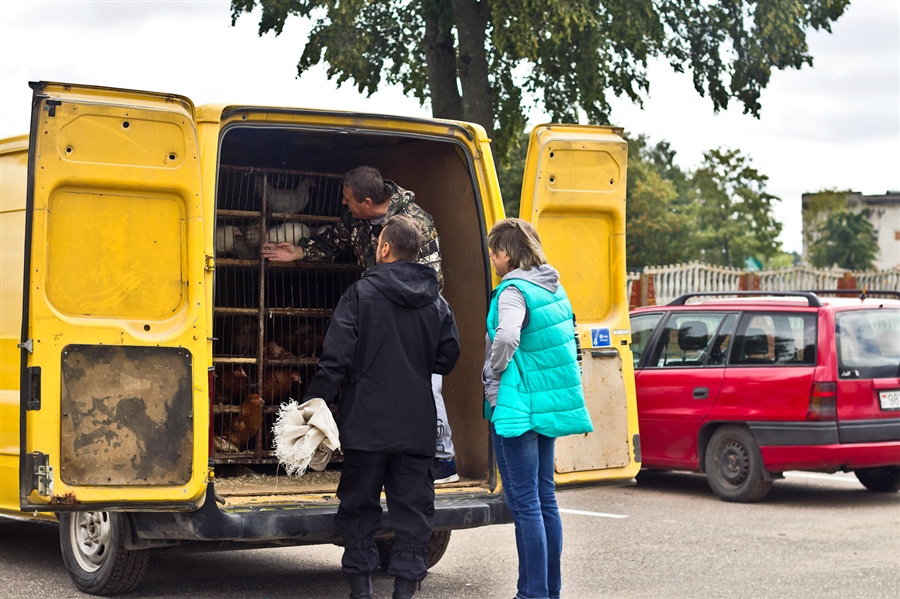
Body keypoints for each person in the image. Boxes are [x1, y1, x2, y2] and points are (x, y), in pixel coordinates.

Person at [262, 166, 459, 483]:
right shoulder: (357, 219)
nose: (343, 204)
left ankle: (443, 458)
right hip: (376, 310)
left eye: (347, 199)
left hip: (410, 317)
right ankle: (383, 456)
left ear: (368, 202)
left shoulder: (416, 221)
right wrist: (300, 251)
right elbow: (335, 240)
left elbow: (429, 283)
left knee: (427, 384)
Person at [301, 215, 461, 599]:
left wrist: (312, 403)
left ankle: (361, 590)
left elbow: (336, 358)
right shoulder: (437, 302)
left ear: (385, 248)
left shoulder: (360, 294)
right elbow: (448, 357)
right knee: (413, 512)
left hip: (366, 423)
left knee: (358, 508)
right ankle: (404, 592)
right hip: (416, 425)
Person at [482, 218, 593, 599]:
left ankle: (531, 594)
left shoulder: (513, 290)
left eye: (495, 251)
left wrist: (495, 367)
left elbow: (509, 335)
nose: (492, 258)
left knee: (525, 504)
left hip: (516, 407)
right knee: (544, 498)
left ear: (508, 254)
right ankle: (549, 590)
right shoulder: (554, 289)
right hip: (544, 407)